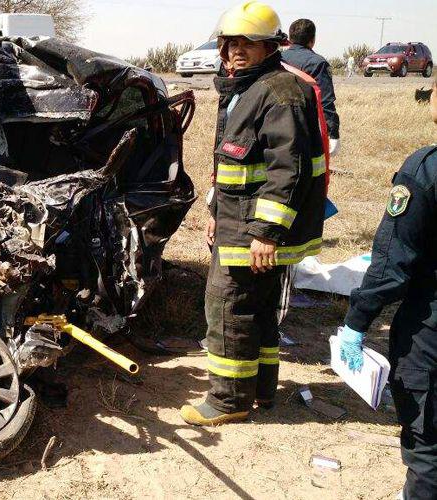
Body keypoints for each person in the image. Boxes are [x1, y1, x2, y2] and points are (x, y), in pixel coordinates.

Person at [180, 0, 327, 426]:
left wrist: (266, 232)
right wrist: (215, 210)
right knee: (258, 309)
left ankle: (228, 400)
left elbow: (289, 171)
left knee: (227, 306)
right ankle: (261, 389)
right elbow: (236, 167)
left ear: (271, 46)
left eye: (248, 42)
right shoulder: (247, 88)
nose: (236, 51)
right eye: (230, 43)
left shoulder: (280, 93)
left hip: (254, 229)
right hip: (236, 218)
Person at [337, 77, 437, 500]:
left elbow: (392, 263)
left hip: (430, 329)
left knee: (427, 438)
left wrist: (356, 322)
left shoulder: (425, 170)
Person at [281, 19, 341, 156]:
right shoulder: (318, 63)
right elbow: (325, 101)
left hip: (276, 123)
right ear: (312, 40)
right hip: (305, 127)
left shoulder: (277, 58)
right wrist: (333, 133)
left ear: (290, 38)